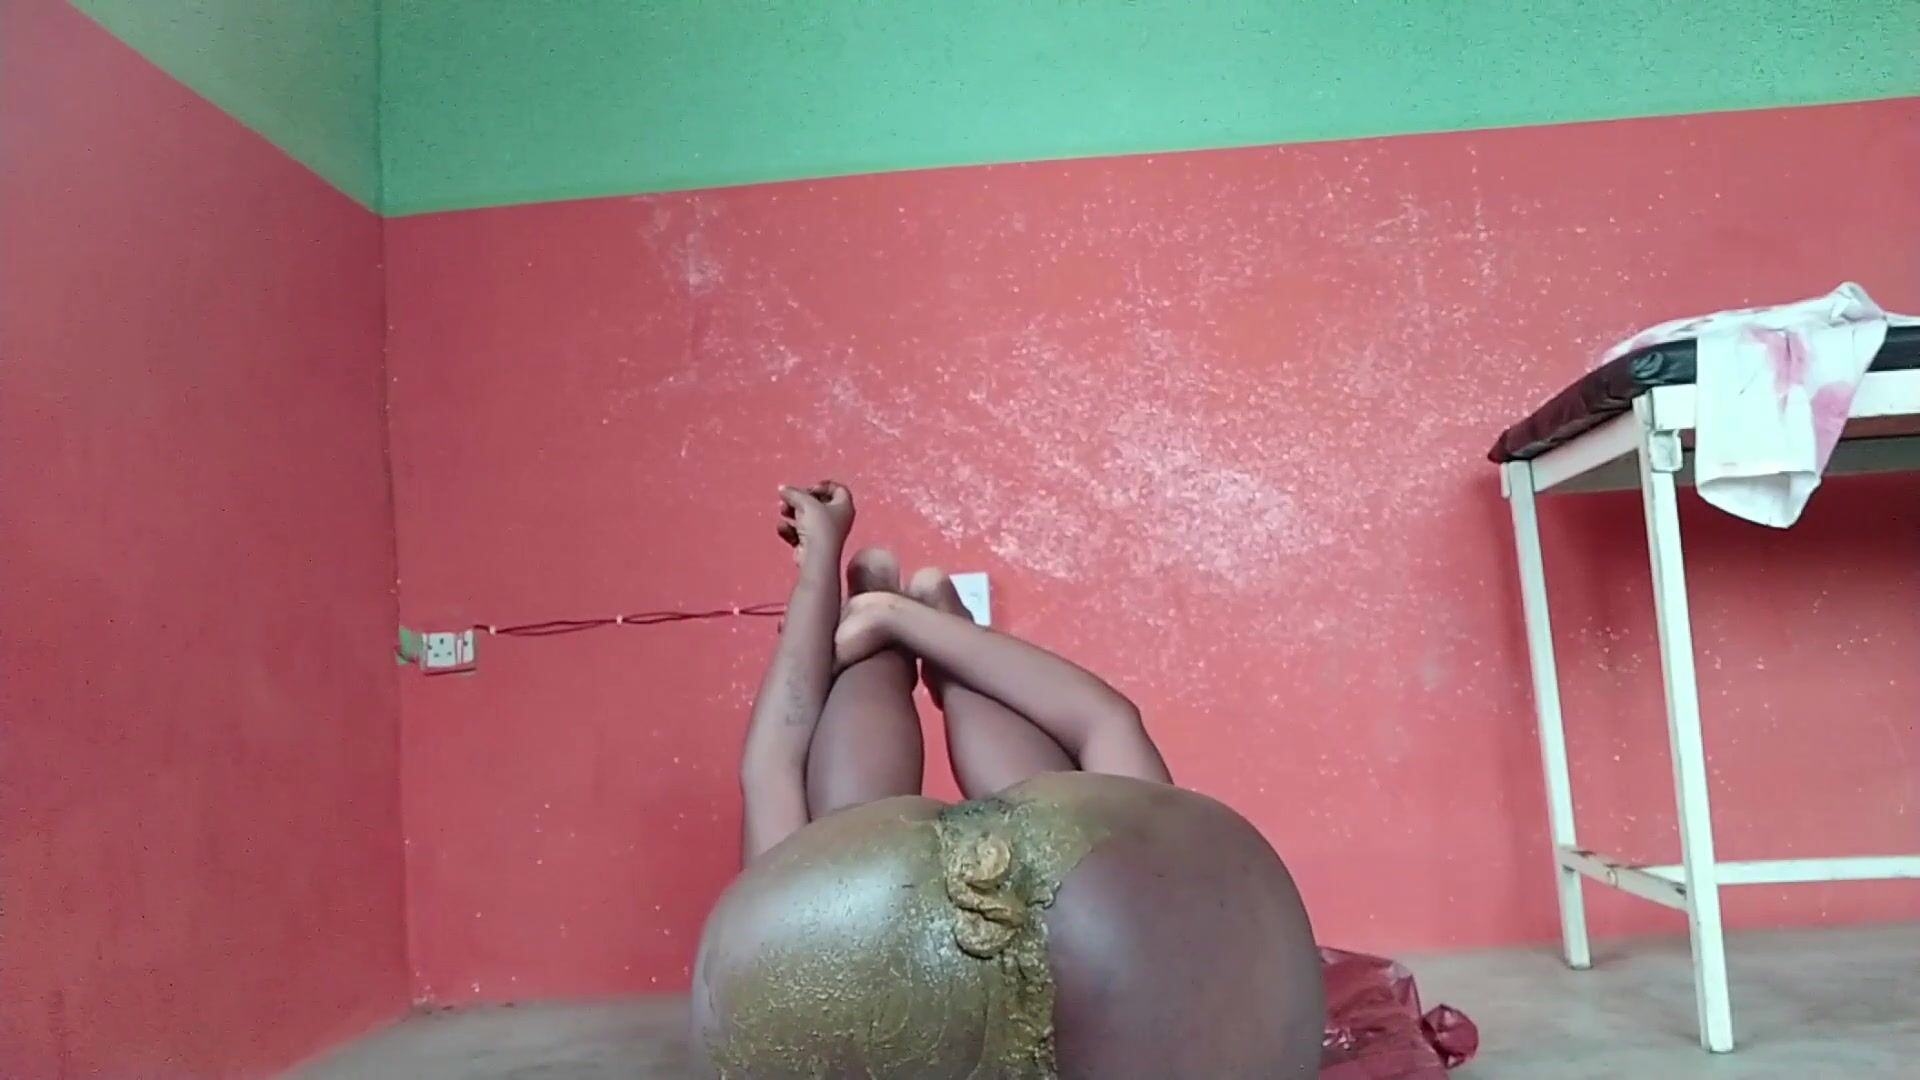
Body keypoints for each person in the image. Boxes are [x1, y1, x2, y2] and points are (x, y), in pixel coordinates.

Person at [690, 482, 1323, 1079]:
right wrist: (828, 583)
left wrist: (821, 579)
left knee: (848, 857)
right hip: (1058, 942)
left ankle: (905, 619)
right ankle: (905, 619)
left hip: (874, 943)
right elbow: (770, 766)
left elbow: (772, 765)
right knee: (852, 850)